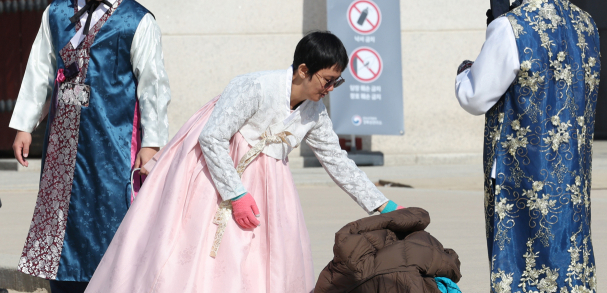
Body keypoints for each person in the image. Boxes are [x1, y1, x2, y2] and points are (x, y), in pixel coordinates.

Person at [85, 31, 401, 293]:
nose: (331, 89)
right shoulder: (254, 86)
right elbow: (212, 138)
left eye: (337, 82)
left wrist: (380, 204)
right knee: (204, 254)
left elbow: (336, 159)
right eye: (328, 80)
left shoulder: (314, 113)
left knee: (262, 262)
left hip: (269, 185)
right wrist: (235, 194)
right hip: (213, 175)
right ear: (303, 70)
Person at [9, 0, 171, 293]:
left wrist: (151, 144)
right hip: (63, 140)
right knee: (61, 217)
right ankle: (64, 284)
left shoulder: (137, 20)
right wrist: (24, 125)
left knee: (111, 213)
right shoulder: (57, 11)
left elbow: (154, 86)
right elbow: (39, 69)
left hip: (112, 138)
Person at [455, 0, 599, 293]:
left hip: (524, 180)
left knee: (524, 272)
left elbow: (475, 97)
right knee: (570, 266)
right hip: (571, 179)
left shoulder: (511, 27)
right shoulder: (587, 25)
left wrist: (464, 72)